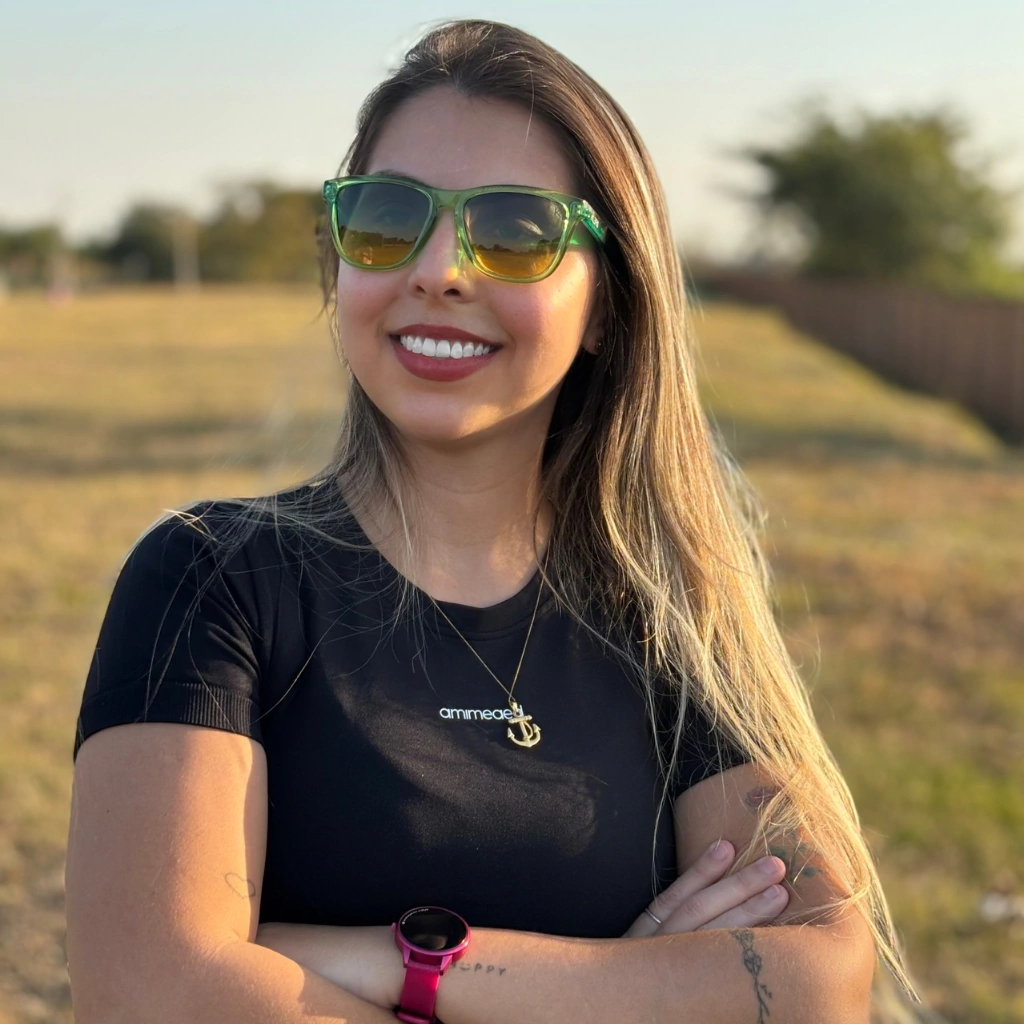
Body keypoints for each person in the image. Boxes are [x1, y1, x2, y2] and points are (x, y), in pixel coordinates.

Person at [64, 19, 918, 1024]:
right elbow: (153, 993)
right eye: (386, 218)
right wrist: (634, 992)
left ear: (607, 304)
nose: (439, 269)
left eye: (515, 232)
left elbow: (819, 979)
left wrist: (408, 966)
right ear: (339, 266)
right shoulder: (209, 578)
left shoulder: (672, 613)